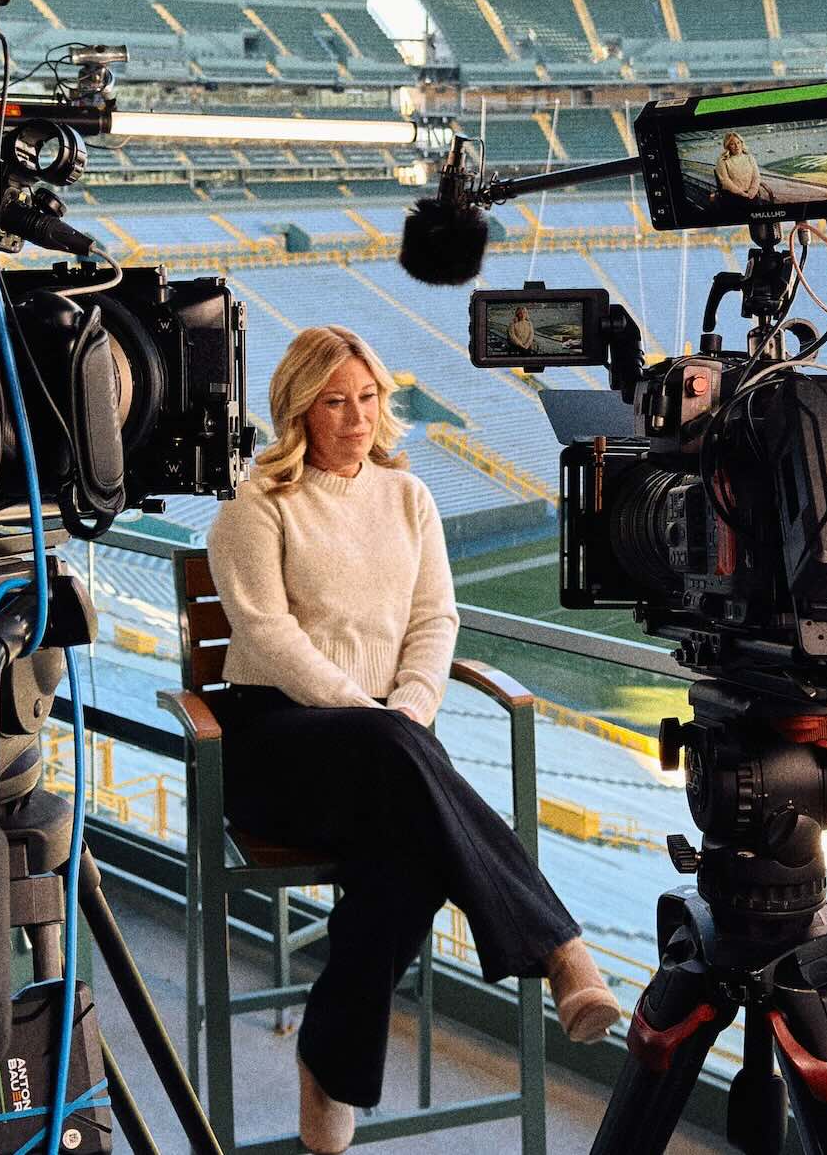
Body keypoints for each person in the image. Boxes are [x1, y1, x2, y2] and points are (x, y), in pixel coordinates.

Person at [205, 325, 621, 1154]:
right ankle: (562, 950)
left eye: (368, 397)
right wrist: (369, 711)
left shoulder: (409, 498)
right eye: (335, 401)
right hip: (277, 742)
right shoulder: (254, 504)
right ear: (298, 408)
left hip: (388, 749)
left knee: (411, 856)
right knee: (401, 771)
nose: (357, 417)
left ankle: (328, 1070)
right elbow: (269, 635)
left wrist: (411, 706)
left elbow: (437, 618)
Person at [714, 131, 767, 205]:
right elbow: (725, 181)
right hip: (733, 196)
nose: (737, 146)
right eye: (732, 144)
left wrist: (753, 190)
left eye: (738, 142)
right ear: (728, 146)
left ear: (742, 143)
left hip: (751, 194)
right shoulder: (722, 160)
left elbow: (756, 176)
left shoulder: (749, 157)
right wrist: (741, 193)